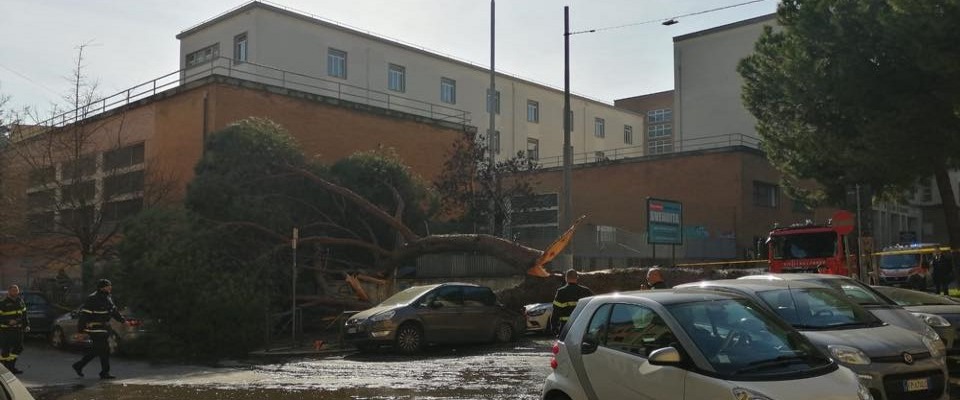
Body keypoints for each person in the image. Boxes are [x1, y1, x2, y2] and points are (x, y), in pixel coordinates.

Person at [72, 279, 127, 380]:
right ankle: (104, 372)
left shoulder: (108, 298)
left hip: (104, 328)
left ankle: (79, 365)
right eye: (108, 286)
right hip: (95, 329)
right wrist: (80, 331)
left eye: (110, 286)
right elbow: (84, 316)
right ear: (102, 287)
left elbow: (114, 311)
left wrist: (123, 320)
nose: (110, 288)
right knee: (104, 349)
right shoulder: (93, 298)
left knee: (97, 350)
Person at [550, 269, 594, 335]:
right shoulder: (586, 291)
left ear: (566, 278)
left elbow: (556, 311)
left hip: (566, 326)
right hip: (582, 326)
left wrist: (554, 327)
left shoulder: (561, 292)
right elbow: (593, 307)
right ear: (577, 278)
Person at [0, 285, 29, 374]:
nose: (15, 292)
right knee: (5, 350)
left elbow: (24, 314)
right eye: (13, 290)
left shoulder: (20, 301)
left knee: (19, 348)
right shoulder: (3, 302)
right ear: (9, 292)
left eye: (16, 291)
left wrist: (26, 325)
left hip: (18, 330)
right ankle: (3, 369)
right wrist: (8, 321)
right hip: (6, 330)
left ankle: (10, 367)